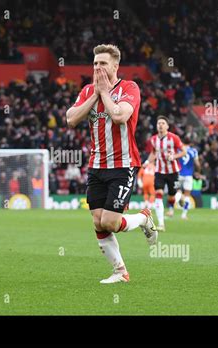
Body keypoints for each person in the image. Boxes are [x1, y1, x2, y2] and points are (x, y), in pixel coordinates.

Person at [66, 44, 157, 284]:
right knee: (98, 221)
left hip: (123, 165)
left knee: (111, 222)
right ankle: (120, 271)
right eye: (95, 63)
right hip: (96, 165)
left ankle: (143, 218)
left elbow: (119, 116)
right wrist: (96, 93)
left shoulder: (130, 88)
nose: (98, 67)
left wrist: (104, 92)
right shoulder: (87, 91)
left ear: (115, 66)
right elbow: (71, 119)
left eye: (103, 63)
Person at [145, 115, 187, 231]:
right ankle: (161, 224)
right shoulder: (153, 139)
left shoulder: (174, 138)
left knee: (172, 196)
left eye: (163, 123)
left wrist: (174, 156)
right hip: (159, 171)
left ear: (167, 126)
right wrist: (147, 162)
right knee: (158, 193)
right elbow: (153, 153)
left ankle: (180, 196)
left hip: (173, 171)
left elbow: (184, 152)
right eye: (159, 123)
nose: (160, 125)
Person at [177, 137, 201, 220]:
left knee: (176, 190)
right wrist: (198, 171)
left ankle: (179, 197)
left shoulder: (178, 150)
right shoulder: (194, 151)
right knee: (187, 195)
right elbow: (197, 164)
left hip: (179, 174)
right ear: (191, 143)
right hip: (189, 176)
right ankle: (183, 215)